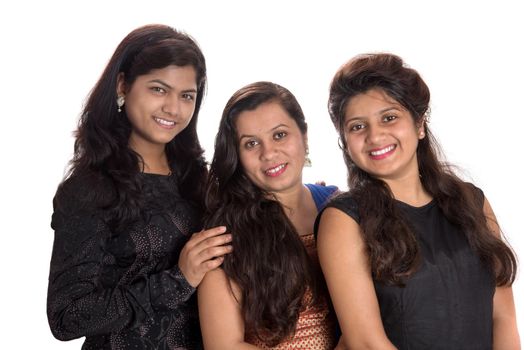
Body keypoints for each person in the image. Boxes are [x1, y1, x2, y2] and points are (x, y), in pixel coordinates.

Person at [316, 53, 520, 349]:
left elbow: (503, 318)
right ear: (345, 143)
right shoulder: (344, 220)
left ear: (419, 124)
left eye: (389, 117)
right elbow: (366, 342)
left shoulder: (473, 202)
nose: (375, 136)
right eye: (357, 127)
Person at [47, 24, 232, 349]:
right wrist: (179, 278)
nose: (173, 108)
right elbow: (66, 317)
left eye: (186, 95)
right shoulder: (91, 189)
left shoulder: (196, 179)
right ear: (123, 85)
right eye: (158, 89)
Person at [198, 81, 342, 349]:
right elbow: (224, 346)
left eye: (279, 135)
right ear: (237, 156)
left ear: (304, 136)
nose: (269, 153)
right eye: (251, 143)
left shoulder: (338, 208)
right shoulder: (227, 233)